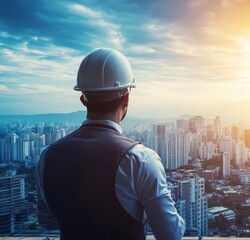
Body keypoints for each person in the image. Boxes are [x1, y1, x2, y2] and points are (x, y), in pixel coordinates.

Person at [37, 48, 185, 240]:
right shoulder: (139, 159)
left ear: (83, 100)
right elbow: (170, 234)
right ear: (126, 99)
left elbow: (46, 221)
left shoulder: (48, 156)